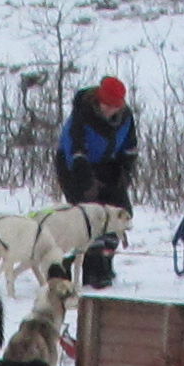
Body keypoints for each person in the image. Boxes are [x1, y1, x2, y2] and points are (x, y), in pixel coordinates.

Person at [54, 77, 137, 287]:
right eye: (107, 105)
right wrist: (86, 182)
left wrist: (125, 172)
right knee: (89, 215)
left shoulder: (126, 117)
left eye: (115, 106)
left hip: (108, 165)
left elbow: (130, 147)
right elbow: (75, 150)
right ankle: (78, 266)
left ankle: (104, 262)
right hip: (74, 166)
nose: (111, 110)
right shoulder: (82, 115)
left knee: (119, 212)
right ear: (99, 101)